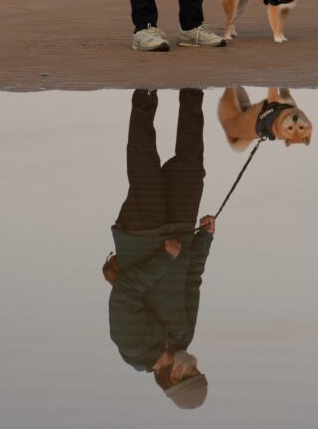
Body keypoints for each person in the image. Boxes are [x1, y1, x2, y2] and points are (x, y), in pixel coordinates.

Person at [105, 89, 215, 409]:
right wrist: (204, 239)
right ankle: (192, 86)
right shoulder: (185, 336)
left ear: (175, 377)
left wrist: (165, 258)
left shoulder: (132, 348)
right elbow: (192, 279)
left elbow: (126, 291)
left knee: (145, 162)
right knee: (192, 164)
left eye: (192, 371)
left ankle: (146, 90)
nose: (194, 363)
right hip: (181, 233)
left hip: (141, 233)